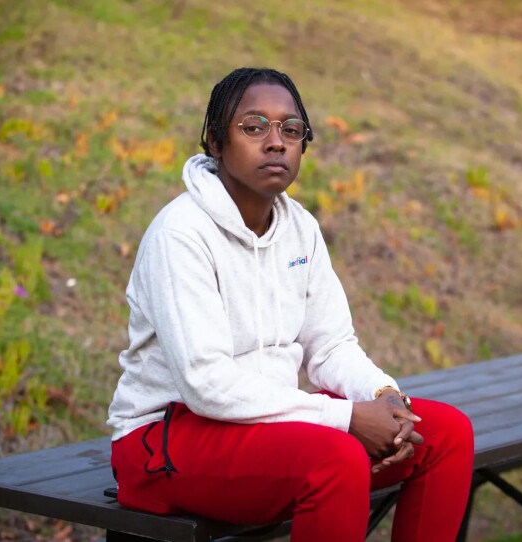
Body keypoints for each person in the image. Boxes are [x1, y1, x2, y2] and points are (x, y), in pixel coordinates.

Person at [108, 67, 474, 542]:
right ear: (216, 143)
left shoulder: (299, 228)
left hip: (264, 426)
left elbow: (330, 346)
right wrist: (346, 418)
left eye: (291, 129)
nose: (276, 141)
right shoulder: (180, 234)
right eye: (254, 126)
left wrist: (384, 397)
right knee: (335, 460)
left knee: (444, 434)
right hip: (165, 441)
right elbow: (206, 384)